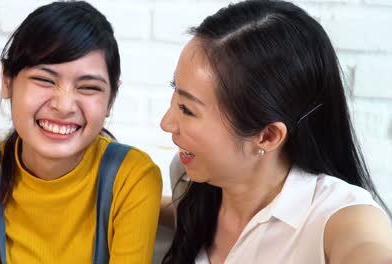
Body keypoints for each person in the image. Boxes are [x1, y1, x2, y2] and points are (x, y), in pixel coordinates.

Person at [159, 0, 392, 263]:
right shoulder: (192, 180)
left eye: (187, 109)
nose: (166, 122)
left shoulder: (342, 217)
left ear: (267, 136)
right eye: (174, 92)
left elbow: (367, 246)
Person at [0, 1, 162, 263]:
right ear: (7, 81)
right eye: (44, 80)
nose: (64, 106)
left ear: (111, 99)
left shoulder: (133, 178)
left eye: (88, 87)